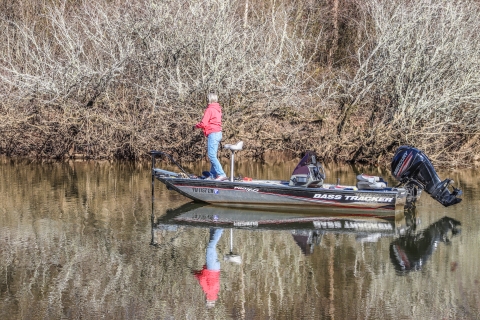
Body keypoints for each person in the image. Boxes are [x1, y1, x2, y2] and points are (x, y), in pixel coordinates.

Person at [195, 93, 227, 181]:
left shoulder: (209, 109)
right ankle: (213, 174)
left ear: (209, 100)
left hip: (213, 133)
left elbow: (204, 123)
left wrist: (196, 126)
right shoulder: (218, 109)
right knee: (213, 154)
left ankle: (221, 174)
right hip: (218, 133)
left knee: (211, 155)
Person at [193, 228, 224, 308]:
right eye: (206, 300)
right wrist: (195, 274)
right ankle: (221, 228)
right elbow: (202, 279)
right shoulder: (208, 291)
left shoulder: (216, 291)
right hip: (211, 268)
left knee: (211, 243)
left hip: (217, 268)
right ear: (207, 300)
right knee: (210, 247)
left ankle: (213, 225)